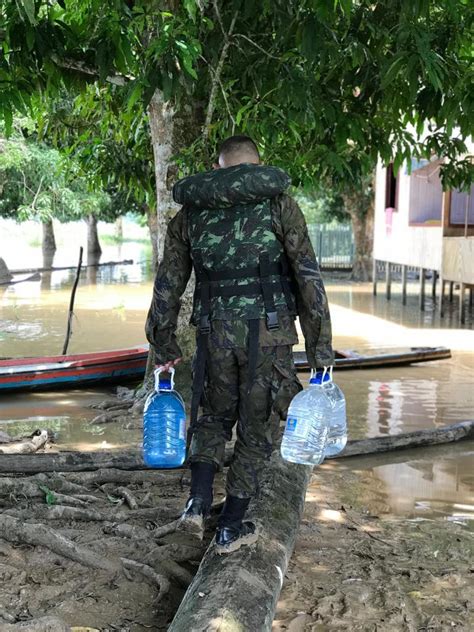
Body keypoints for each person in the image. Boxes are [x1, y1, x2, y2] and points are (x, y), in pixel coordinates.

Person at [145, 135, 334, 554]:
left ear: (219, 168)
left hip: (213, 332)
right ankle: (230, 526)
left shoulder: (192, 214)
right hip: (269, 334)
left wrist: (163, 343)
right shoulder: (277, 203)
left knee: (213, 415)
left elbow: (167, 284)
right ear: (255, 164)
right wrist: (321, 352)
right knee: (256, 426)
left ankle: (195, 505)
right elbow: (308, 279)